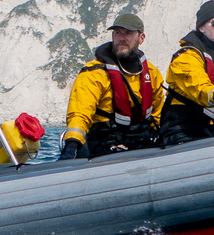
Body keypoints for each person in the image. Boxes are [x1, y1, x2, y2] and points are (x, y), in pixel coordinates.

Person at [58, 12, 166, 159]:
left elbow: (157, 114)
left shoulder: (151, 74)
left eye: (128, 33)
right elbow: (80, 113)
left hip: (141, 144)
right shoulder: (94, 72)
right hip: (104, 145)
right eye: (117, 33)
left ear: (141, 38)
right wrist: (72, 145)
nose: (121, 38)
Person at [162, 0, 214, 145]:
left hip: (206, 128)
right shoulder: (186, 57)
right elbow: (199, 87)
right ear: (202, 28)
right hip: (181, 129)